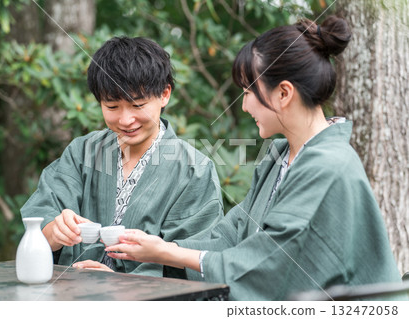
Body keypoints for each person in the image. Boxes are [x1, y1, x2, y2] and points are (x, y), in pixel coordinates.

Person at [103, 16, 403, 300]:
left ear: (283, 94)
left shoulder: (329, 165)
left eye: (248, 91)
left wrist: (167, 253)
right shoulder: (280, 157)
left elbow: (271, 263)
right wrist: (158, 249)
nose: (245, 105)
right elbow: (230, 236)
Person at [20, 36, 223, 277]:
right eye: (112, 107)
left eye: (138, 105)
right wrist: (54, 232)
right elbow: (40, 222)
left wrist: (119, 282)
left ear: (165, 94)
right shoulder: (81, 152)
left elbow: (196, 259)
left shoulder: (194, 170)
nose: (126, 120)